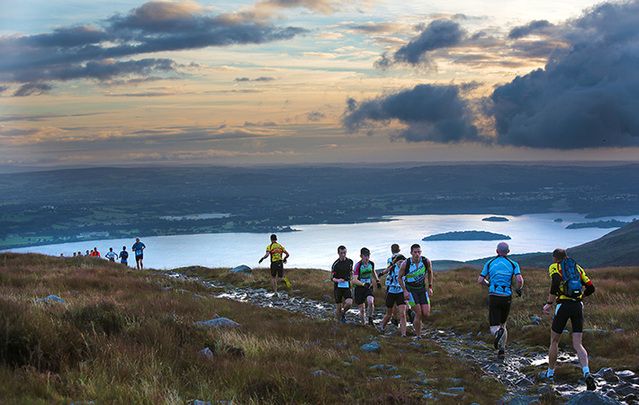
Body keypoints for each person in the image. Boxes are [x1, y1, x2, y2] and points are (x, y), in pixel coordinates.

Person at [540, 249, 596, 391]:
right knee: (578, 344)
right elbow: (591, 287)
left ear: (555, 258)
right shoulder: (577, 267)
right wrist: (581, 297)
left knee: (554, 341)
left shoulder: (555, 267)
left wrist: (549, 303)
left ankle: (550, 373)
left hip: (563, 306)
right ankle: (586, 372)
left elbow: (555, 282)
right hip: (577, 306)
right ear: (566, 256)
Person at [477, 242, 524, 359]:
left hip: (494, 296)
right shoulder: (513, 264)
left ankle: (497, 334)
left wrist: (489, 284)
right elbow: (519, 280)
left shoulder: (490, 263)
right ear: (508, 252)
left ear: (496, 251)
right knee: (503, 324)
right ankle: (502, 350)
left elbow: (480, 280)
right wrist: (518, 289)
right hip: (506, 297)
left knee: (494, 326)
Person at [398, 244, 433, 339]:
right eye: (415, 252)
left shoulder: (426, 261)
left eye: (419, 252)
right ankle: (418, 335)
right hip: (411, 290)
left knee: (426, 313)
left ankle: (414, 318)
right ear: (411, 253)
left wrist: (430, 286)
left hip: (422, 289)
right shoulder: (406, 264)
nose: (417, 254)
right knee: (419, 313)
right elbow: (399, 278)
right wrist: (404, 290)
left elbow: (430, 272)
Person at [380, 245, 408, 336]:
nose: (401, 263)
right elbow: (386, 270)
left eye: (402, 262)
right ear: (396, 262)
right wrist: (379, 275)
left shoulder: (405, 268)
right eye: (399, 262)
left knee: (403, 314)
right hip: (391, 291)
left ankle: (403, 334)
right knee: (389, 314)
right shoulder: (392, 267)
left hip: (400, 292)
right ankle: (381, 328)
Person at [352, 247, 381, 326]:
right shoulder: (358, 265)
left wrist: (377, 280)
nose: (367, 258)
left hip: (368, 287)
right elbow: (354, 280)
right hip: (359, 288)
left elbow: (373, 271)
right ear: (361, 256)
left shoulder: (371, 263)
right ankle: (363, 324)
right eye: (365, 256)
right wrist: (363, 284)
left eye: (368, 256)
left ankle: (370, 319)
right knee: (362, 310)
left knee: (371, 302)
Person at [331, 245, 353, 323]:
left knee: (349, 303)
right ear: (338, 253)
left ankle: (343, 313)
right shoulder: (335, 264)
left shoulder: (350, 261)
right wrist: (338, 280)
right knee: (338, 308)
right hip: (338, 287)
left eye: (344, 253)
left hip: (347, 286)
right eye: (341, 253)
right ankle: (337, 325)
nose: (343, 255)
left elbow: (351, 272)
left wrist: (350, 277)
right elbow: (332, 278)